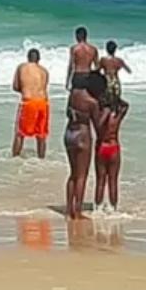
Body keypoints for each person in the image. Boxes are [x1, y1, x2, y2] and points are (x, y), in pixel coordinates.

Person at [63, 72, 104, 220]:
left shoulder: (73, 95)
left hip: (69, 133)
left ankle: (68, 209)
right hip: (82, 134)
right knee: (82, 176)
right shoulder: (92, 102)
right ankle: (78, 211)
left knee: (72, 174)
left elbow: (68, 113)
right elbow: (98, 125)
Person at [93, 92, 129, 213]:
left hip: (101, 148)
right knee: (113, 180)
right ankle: (113, 209)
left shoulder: (98, 117)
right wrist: (115, 98)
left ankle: (97, 208)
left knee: (100, 180)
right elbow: (126, 105)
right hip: (114, 147)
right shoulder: (116, 117)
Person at [12, 49, 51, 159]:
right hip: (44, 103)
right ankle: (42, 159)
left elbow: (15, 87)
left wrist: (25, 90)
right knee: (41, 135)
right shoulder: (44, 71)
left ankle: (15, 159)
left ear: (28, 58)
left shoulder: (22, 67)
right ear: (38, 59)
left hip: (29, 102)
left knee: (20, 133)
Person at [66, 26, 98, 91]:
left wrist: (67, 81)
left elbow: (71, 66)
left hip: (78, 76)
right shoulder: (93, 49)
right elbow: (97, 67)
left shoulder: (74, 48)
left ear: (78, 36)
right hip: (89, 76)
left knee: (75, 98)